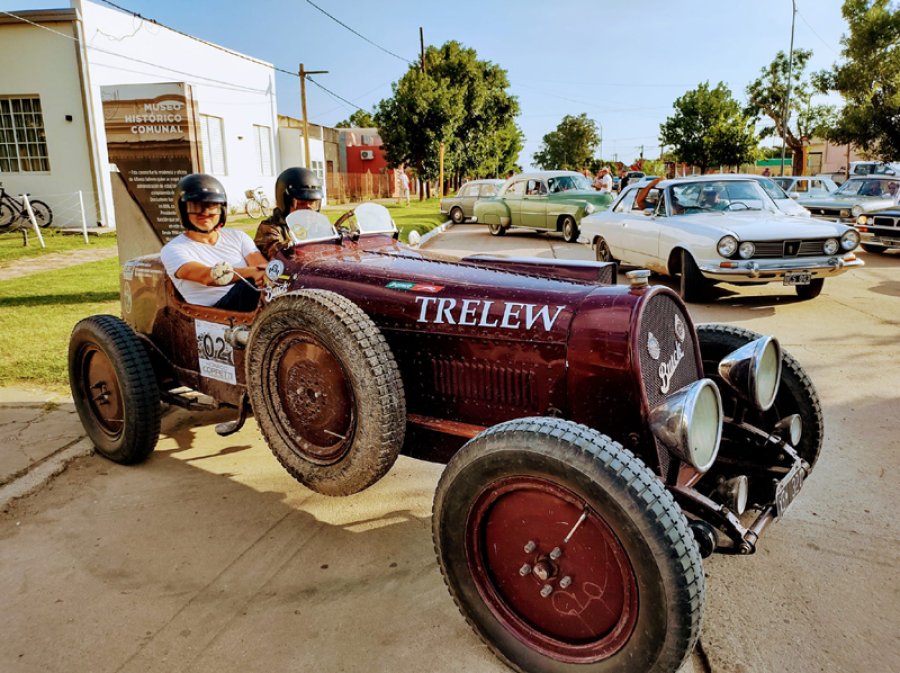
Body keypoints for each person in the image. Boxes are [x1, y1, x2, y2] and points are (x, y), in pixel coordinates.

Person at [161, 173, 267, 312]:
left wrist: (263, 273)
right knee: (249, 284)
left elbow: (261, 265)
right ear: (183, 210)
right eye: (196, 207)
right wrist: (252, 273)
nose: (205, 214)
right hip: (216, 311)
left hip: (252, 305)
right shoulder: (173, 249)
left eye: (212, 207)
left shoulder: (238, 236)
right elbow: (207, 276)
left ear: (221, 210)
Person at [254, 167, 324, 260]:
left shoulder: (316, 225)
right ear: (285, 203)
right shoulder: (271, 229)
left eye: (312, 203)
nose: (308, 208)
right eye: (301, 203)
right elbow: (281, 255)